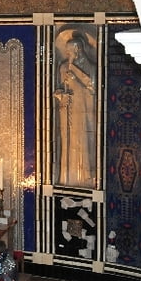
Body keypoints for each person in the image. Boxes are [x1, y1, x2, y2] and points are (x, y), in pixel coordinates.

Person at [54, 32, 97, 187]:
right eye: (66, 51)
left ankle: (85, 178)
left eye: (70, 51)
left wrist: (76, 76)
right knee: (67, 142)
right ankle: (67, 177)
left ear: (78, 50)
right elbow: (60, 87)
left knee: (82, 141)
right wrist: (60, 94)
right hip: (67, 110)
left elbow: (93, 89)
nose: (67, 54)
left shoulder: (90, 67)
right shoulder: (63, 67)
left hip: (83, 110)